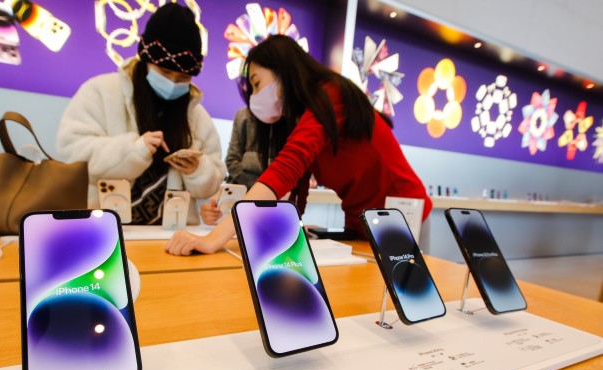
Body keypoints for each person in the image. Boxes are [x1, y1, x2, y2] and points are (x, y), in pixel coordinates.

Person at [166, 34, 431, 255]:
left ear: (283, 70)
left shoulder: (330, 95)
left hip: (404, 216)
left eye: (257, 84)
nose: (255, 96)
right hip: (362, 223)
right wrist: (233, 222)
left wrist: (214, 239)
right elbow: (294, 194)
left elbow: (282, 172)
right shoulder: (302, 118)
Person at [55, 3, 225, 224]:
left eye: (183, 78)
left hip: (172, 237)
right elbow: (70, 156)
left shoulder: (198, 116)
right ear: (146, 60)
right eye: (164, 72)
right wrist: (132, 151)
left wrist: (198, 170)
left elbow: (213, 183)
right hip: (103, 229)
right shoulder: (100, 91)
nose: (173, 82)